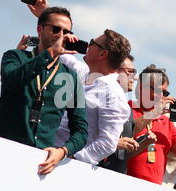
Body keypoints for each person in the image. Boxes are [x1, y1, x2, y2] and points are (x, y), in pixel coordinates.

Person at [0, 7, 88, 175]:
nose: (61, 36)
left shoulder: (71, 77)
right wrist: (49, 54)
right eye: (56, 29)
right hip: (0, 151)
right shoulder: (15, 57)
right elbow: (12, 81)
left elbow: (81, 130)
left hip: (39, 162)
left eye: (66, 32)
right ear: (39, 30)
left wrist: (62, 151)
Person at [55, 29, 132, 165]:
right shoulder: (85, 72)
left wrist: (70, 158)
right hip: (48, 151)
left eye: (92, 43)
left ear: (103, 54)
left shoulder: (113, 94)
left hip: (64, 166)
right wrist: (48, 19)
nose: (87, 46)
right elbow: (58, 53)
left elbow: (108, 143)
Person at [126, 65, 176, 185]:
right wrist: (155, 112)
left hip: (154, 188)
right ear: (142, 88)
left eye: (165, 92)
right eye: (158, 90)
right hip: (125, 181)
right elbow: (131, 130)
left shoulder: (165, 120)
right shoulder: (128, 108)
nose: (162, 96)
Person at [98, 55, 139, 173]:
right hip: (94, 170)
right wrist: (114, 143)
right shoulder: (99, 99)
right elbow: (85, 134)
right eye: (130, 72)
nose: (134, 78)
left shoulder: (127, 108)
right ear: (115, 72)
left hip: (117, 175)